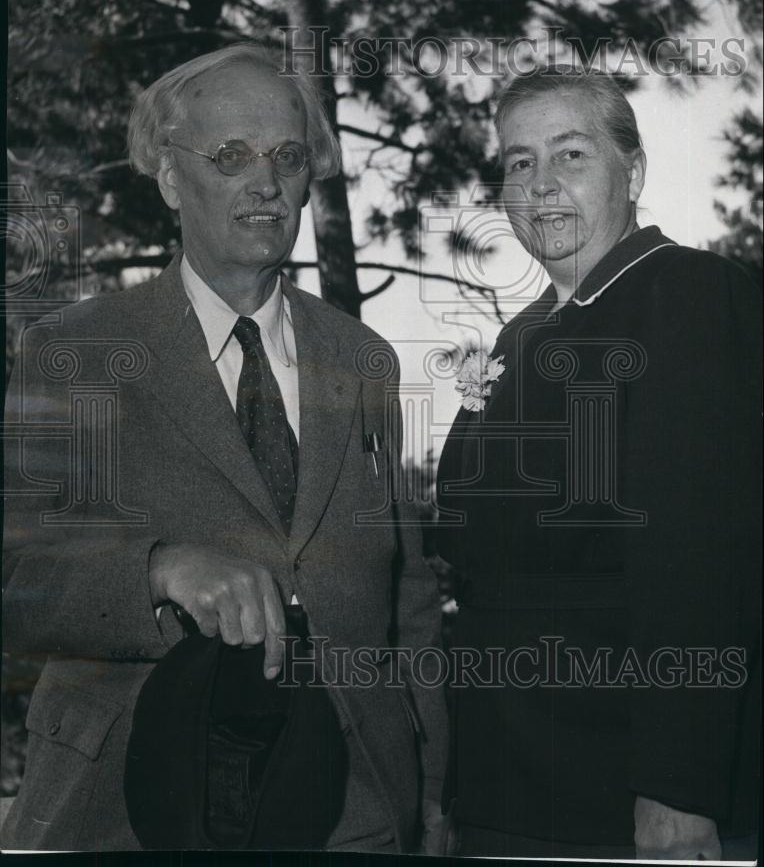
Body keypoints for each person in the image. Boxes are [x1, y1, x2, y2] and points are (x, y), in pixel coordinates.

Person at [2, 43, 448, 853]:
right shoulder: (78, 349)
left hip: (358, 810)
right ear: (172, 179)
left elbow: (409, 601)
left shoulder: (365, 360)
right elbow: (14, 581)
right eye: (231, 157)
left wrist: (434, 793)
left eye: (287, 156)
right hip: (137, 805)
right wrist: (158, 568)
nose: (266, 183)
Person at [436, 66, 761, 860]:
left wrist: (677, 791)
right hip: (510, 774)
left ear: (634, 171)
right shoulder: (527, 334)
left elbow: (698, 564)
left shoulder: (683, 294)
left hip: (618, 784)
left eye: (570, 155)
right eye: (519, 162)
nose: (540, 184)